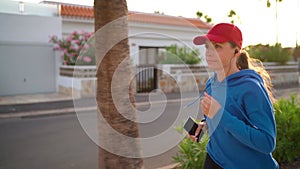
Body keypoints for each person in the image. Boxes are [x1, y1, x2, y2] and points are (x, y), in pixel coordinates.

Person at [189, 23, 279, 169]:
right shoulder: (211, 83)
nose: (209, 52)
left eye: (217, 46)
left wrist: (218, 114)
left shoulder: (251, 88)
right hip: (214, 159)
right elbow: (221, 121)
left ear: (236, 51)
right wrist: (205, 125)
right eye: (207, 46)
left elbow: (267, 142)